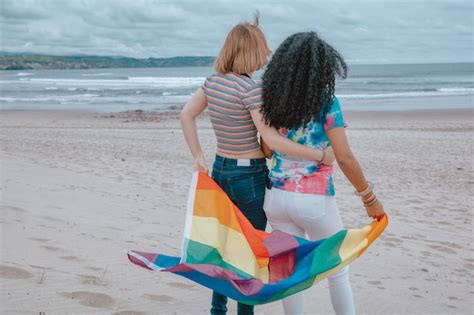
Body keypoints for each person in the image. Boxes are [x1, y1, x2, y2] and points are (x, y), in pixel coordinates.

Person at [179, 16, 335, 315]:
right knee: (249, 250)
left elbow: (186, 115)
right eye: (263, 50)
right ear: (251, 52)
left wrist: (198, 157)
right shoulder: (250, 90)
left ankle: (217, 310)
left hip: (220, 169)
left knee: (223, 246)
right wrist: (319, 155)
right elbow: (272, 143)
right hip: (248, 175)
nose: (266, 56)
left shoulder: (212, 83)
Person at [259, 32, 386, 315]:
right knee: (337, 269)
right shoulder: (327, 103)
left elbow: (267, 151)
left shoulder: (270, 101)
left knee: (288, 272)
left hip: (276, 198)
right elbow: (344, 157)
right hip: (313, 200)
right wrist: (368, 197)